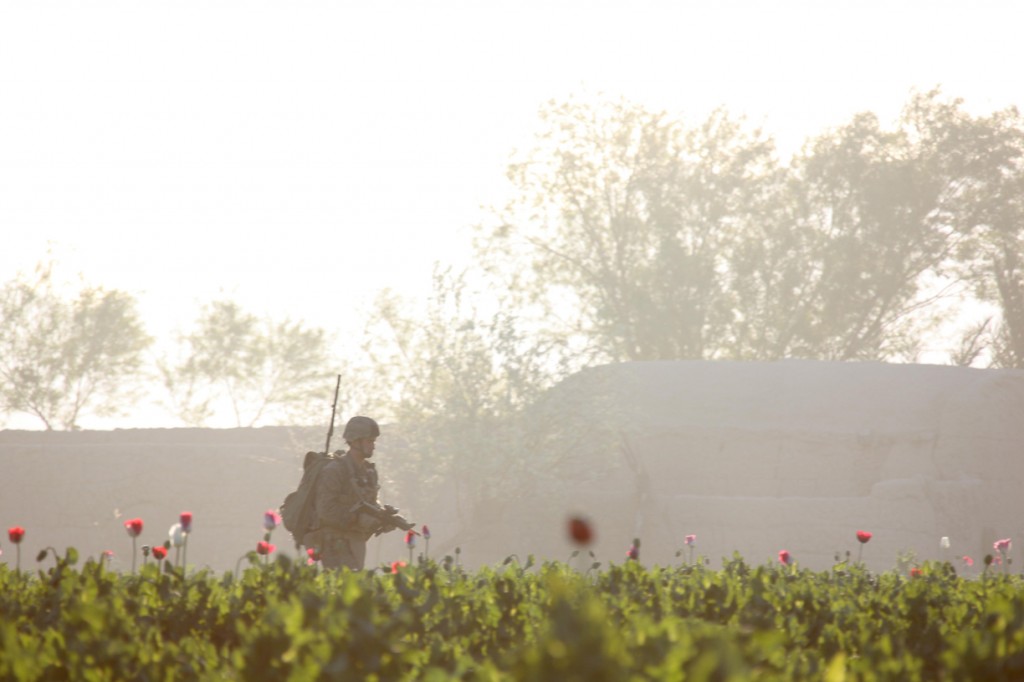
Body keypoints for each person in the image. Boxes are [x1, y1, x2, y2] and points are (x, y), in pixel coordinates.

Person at [308, 416, 411, 569]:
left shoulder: (368, 472)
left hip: (355, 542)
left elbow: (370, 505)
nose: (373, 446)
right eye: (369, 441)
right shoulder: (335, 471)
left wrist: (385, 518)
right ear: (355, 442)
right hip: (334, 542)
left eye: (373, 441)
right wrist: (358, 518)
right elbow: (326, 511)